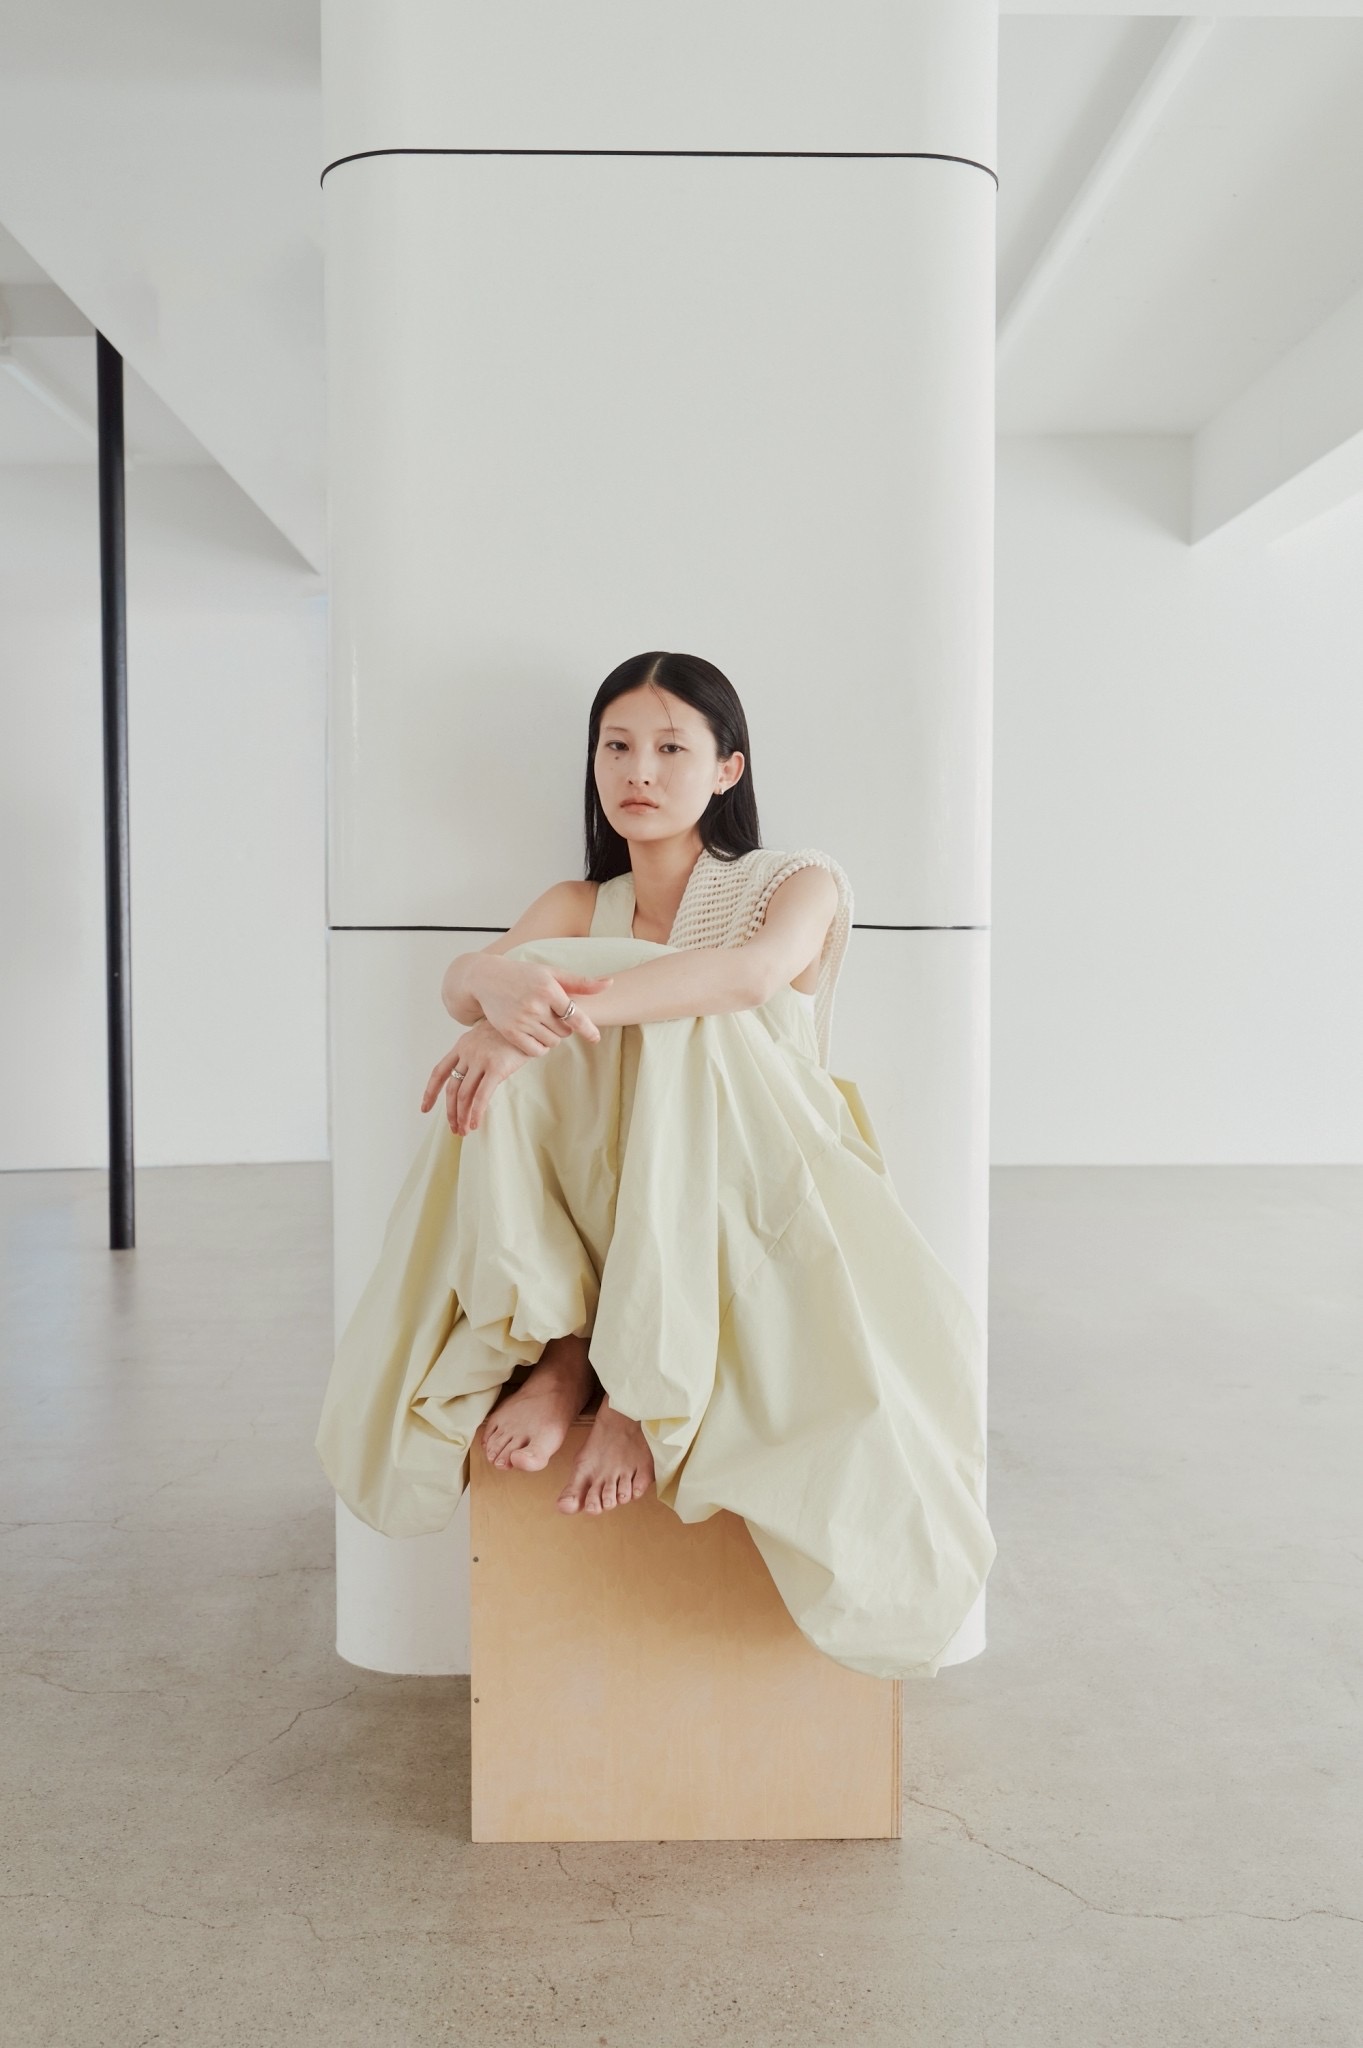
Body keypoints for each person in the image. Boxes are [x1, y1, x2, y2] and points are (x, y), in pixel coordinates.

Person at [314, 650, 997, 1680]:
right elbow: (463, 982)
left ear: (726, 768)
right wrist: (495, 992)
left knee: (632, 1012)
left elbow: (746, 979)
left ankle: (641, 1387)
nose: (639, 769)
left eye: (672, 747)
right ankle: (565, 1350)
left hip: (755, 1168)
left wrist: (527, 1018)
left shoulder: (796, 881)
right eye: (617, 746)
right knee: (523, 1001)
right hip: (609, 1177)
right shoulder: (578, 900)